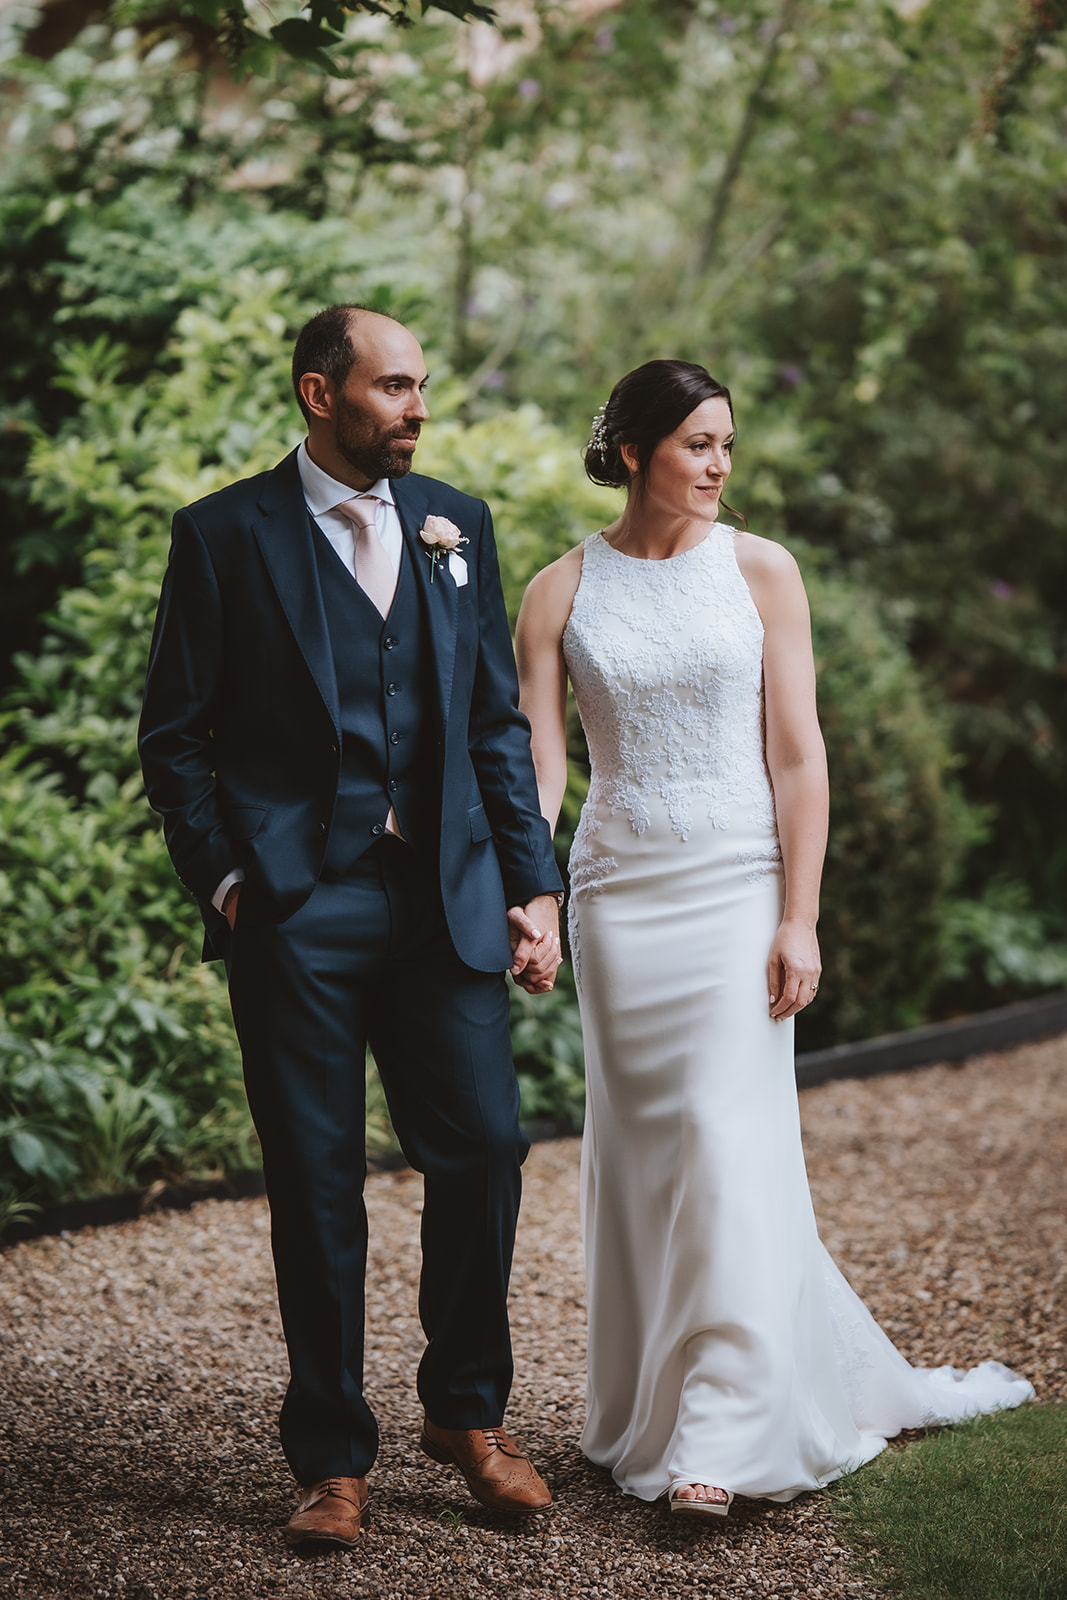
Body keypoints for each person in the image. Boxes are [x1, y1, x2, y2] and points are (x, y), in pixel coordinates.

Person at [515, 359, 1033, 1517]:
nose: (717, 467)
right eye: (699, 444)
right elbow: (539, 768)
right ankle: (646, 1396)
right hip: (620, 896)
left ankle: (722, 1432)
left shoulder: (760, 571)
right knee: (644, 1155)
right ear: (637, 447)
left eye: (726, 447)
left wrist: (799, 914)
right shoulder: (557, 591)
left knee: (725, 1140)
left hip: (735, 888)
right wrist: (535, 894)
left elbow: (797, 753)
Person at [138, 305, 565, 1549]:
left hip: (443, 899)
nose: (415, 408)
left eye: (421, 386)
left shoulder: (456, 525)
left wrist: (531, 886)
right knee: (316, 1183)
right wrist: (227, 884)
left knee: (484, 1146)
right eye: (392, 387)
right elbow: (176, 737)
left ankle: (466, 1416)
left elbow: (494, 722)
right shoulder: (222, 534)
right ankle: (331, 1457)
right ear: (320, 394)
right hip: (295, 908)